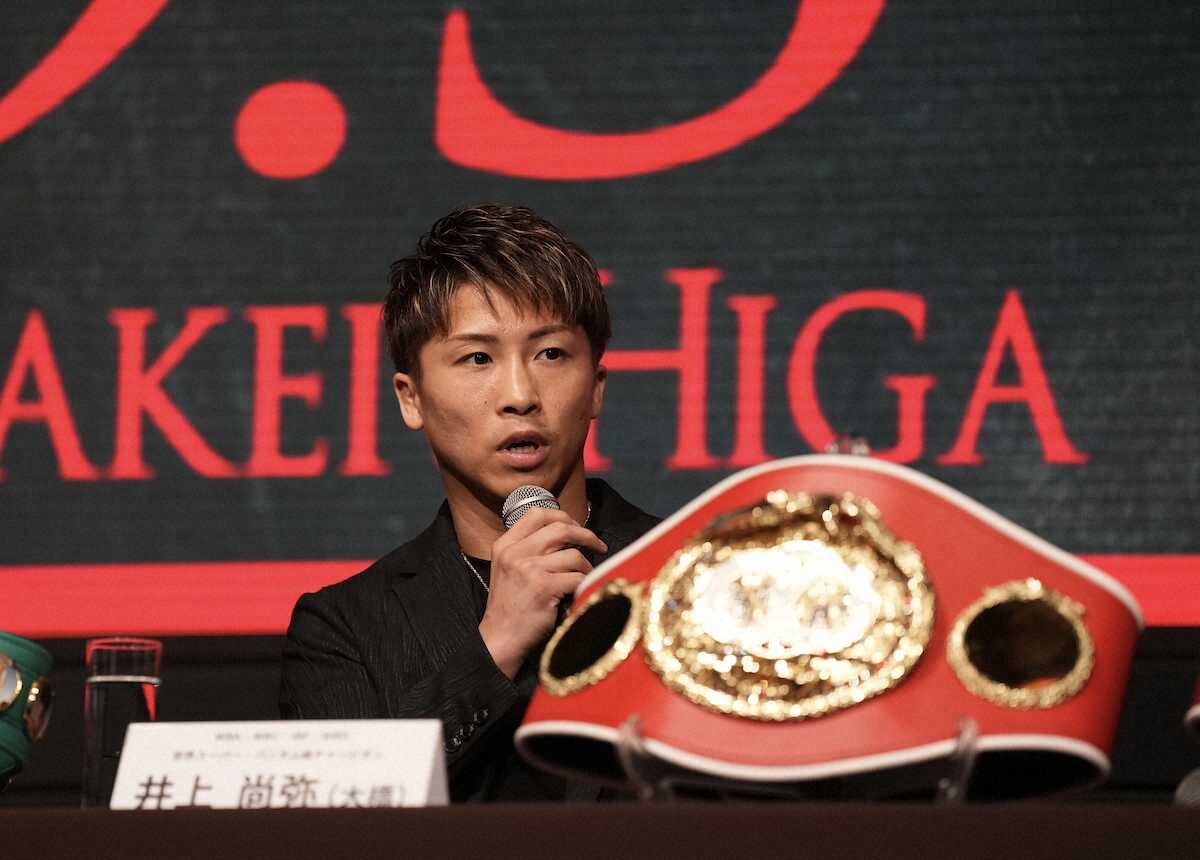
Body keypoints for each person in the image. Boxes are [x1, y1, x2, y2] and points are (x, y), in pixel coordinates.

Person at [279, 204, 659, 801]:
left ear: (596, 388)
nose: (520, 395)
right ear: (411, 398)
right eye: (478, 358)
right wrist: (495, 647)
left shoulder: (688, 571)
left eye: (551, 354)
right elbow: (342, 820)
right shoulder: (346, 629)